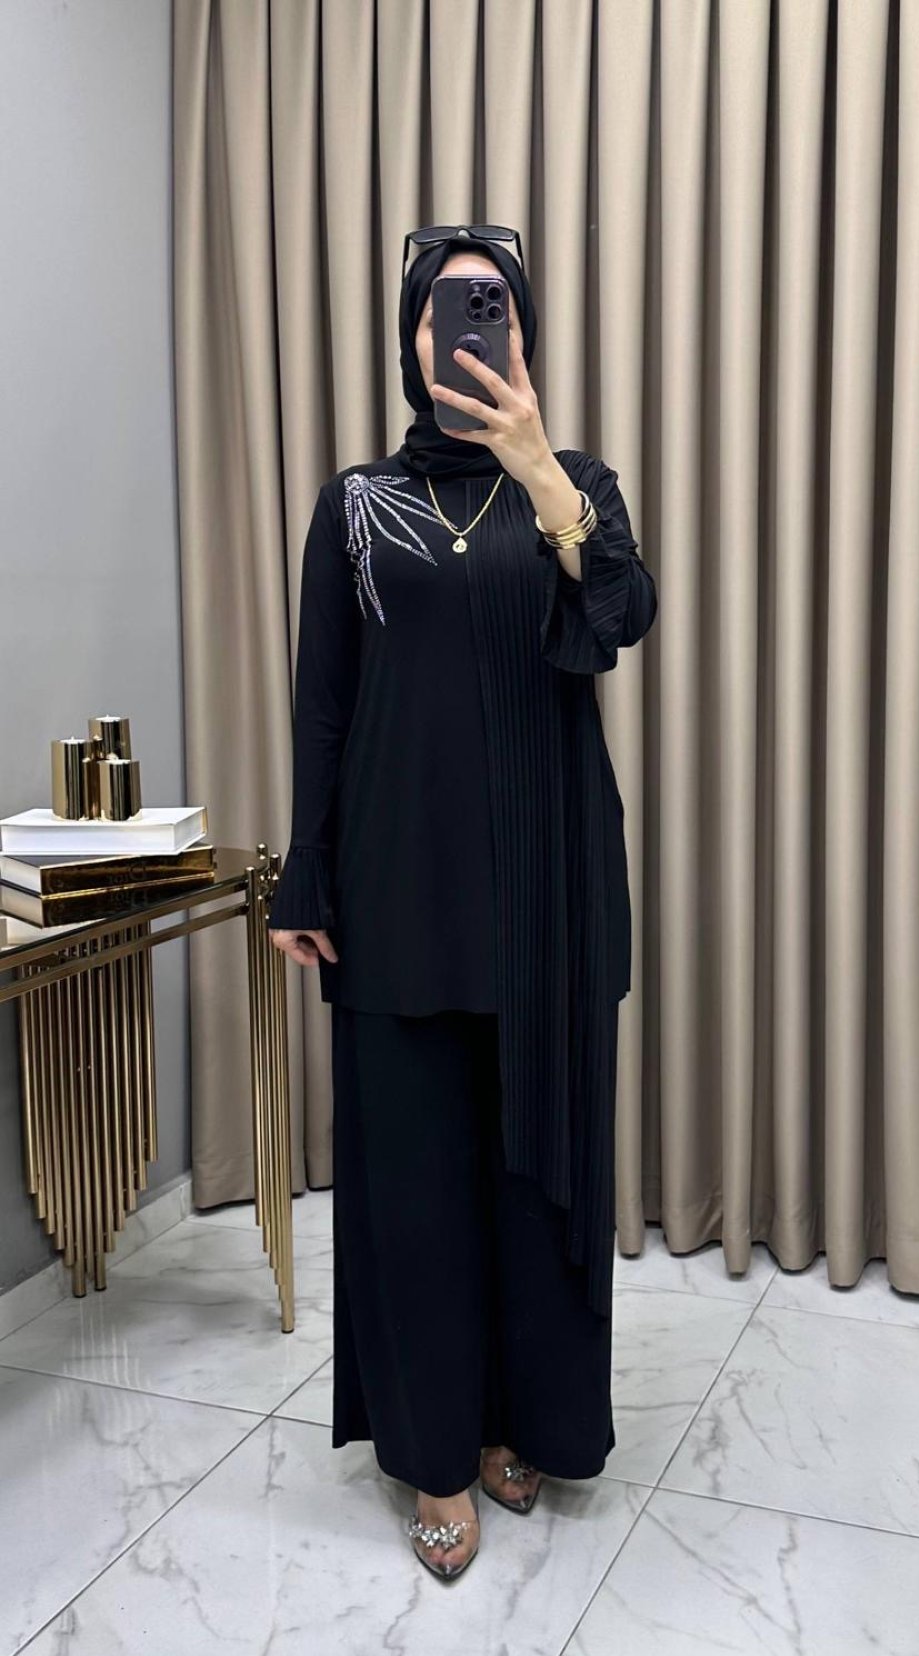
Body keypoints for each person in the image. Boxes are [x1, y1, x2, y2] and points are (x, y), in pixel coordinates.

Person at [268, 225, 658, 1582]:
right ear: (412, 340)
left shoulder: (578, 486)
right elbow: (324, 703)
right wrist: (305, 870)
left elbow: (619, 618)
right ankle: (435, 1453)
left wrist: (540, 465)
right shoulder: (354, 505)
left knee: (534, 1174)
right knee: (417, 1183)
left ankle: (523, 1420)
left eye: (493, 308)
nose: (469, 330)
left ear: (524, 335)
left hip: (551, 888)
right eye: (446, 311)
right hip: (398, 886)